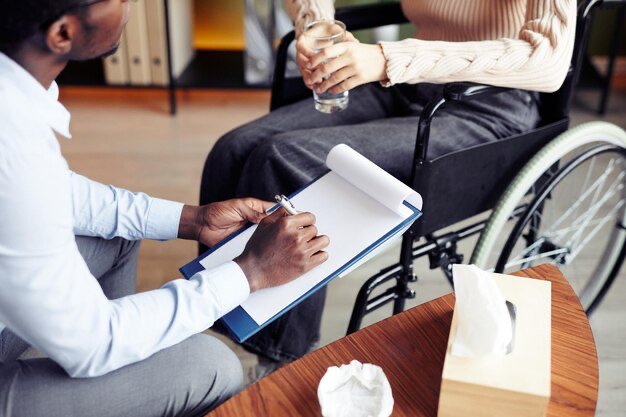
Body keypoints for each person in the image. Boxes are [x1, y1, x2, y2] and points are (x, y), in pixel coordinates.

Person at [201, 0, 577, 376]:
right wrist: (316, 25)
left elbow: (547, 58)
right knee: (231, 150)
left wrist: (387, 59)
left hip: (488, 103)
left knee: (282, 158)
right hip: (407, 84)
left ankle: (278, 359)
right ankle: (211, 307)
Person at [0, 1, 330, 416]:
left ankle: (125, 391)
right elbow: (90, 342)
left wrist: (193, 219)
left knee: (118, 235)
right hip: (81, 340)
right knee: (212, 367)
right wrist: (252, 272)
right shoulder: (12, 146)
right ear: (62, 34)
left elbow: (51, 193)